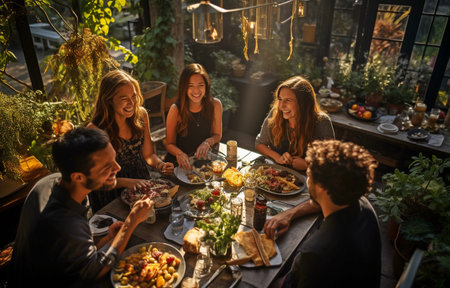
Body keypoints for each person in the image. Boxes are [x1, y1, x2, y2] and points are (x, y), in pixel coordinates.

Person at [11, 128, 153, 287]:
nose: (118, 168)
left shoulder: (51, 182)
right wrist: (131, 221)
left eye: (114, 158)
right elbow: (92, 272)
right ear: (78, 176)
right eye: (107, 166)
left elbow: (67, 254)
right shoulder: (63, 223)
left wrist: (105, 240)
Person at [264, 139, 381, 288]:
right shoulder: (364, 207)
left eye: (309, 175)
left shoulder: (316, 253)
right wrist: (289, 214)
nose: (307, 180)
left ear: (321, 188)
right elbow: (320, 204)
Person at [87, 69, 173, 211]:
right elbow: (95, 180)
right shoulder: (94, 131)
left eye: (133, 96)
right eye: (124, 98)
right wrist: (128, 182)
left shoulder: (141, 115)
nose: (131, 103)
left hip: (140, 184)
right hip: (110, 194)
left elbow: (149, 155)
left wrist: (160, 165)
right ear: (109, 100)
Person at [255, 76, 335, 171]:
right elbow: (260, 144)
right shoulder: (276, 113)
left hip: (308, 179)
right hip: (277, 174)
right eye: (280, 99)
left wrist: (308, 165)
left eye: (288, 100)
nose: (281, 106)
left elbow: (331, 162)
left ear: (303, 103)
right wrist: (278, 157)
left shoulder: (322, 122)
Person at [165, 63, 223, 170]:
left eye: (200, 85)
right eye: (190, 86)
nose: (196, 91)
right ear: (184, 88)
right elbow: (169, 144)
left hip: (203, 162)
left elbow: (217, 135)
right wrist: (180, 154)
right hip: (180, 164)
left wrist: (207, 143)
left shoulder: (215, 105)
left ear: (206, 86)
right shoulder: (175, 110)